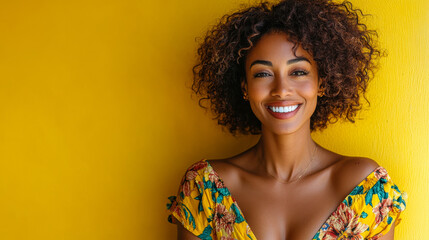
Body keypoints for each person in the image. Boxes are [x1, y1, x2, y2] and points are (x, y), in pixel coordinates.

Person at [166, 0, 407, 239]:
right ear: (245, 87)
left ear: (321, 82)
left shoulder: (367, 190)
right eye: (263, 74)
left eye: (298, 72)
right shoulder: (205, 190)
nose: (281, 89)